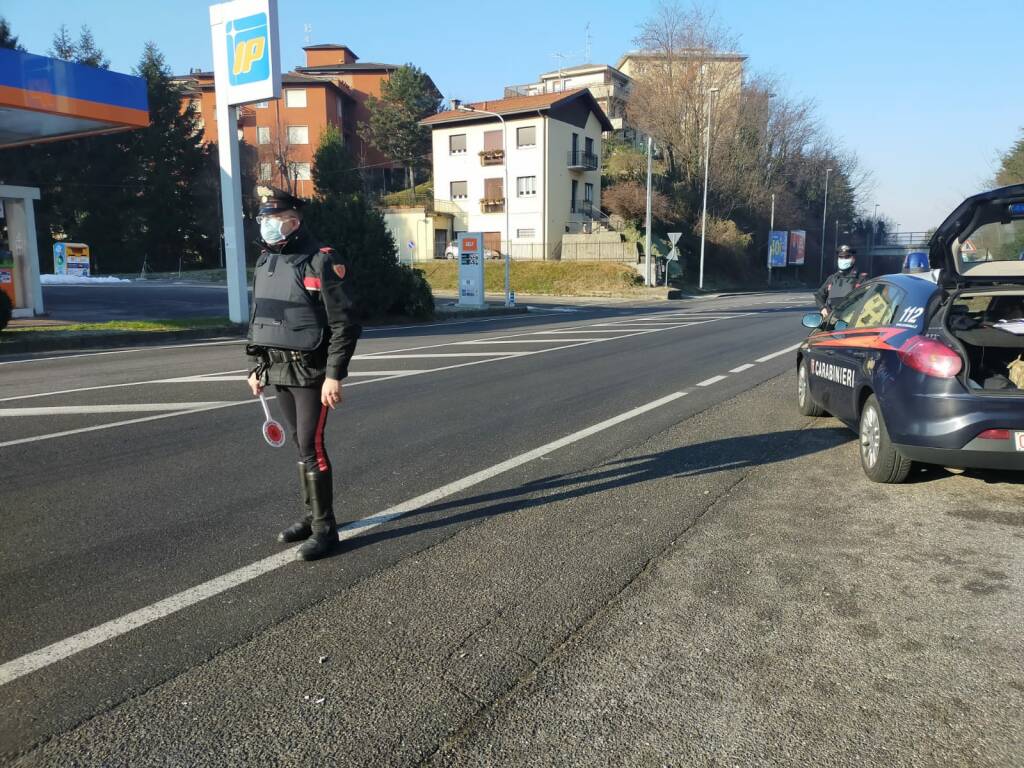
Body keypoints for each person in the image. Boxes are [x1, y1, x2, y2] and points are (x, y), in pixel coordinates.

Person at [245, 186, 361, 561]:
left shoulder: (322, 260)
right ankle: (311, 518)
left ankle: (326, 530)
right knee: (299, 444)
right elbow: (262, 317)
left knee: (312, 445)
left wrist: (334, 375)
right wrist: (257, 367)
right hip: (277, 368)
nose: (266, 227)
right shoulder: (266, 262)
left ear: (293, 222)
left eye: (273, 220)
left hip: (311, 371)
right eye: (263, 220)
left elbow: (345, 323)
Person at [815, 245, 866, 316]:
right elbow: (819, 295)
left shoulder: (861, 279)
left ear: (853, 259)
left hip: (851, 321)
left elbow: (870, 298)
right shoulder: (832, 278)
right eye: (841, 257)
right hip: (831, 320)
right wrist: (823, 308)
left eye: (847, 257)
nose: (843, 259)